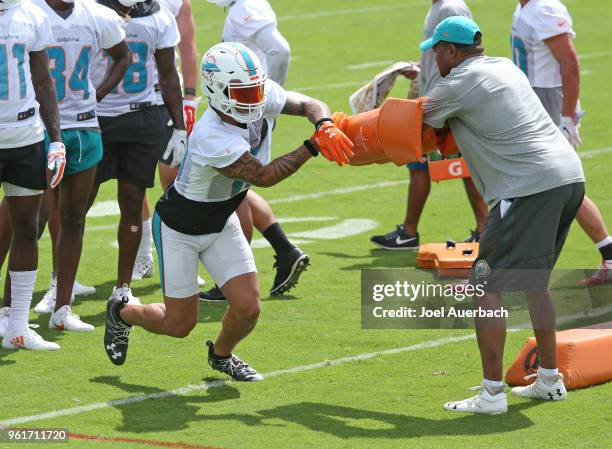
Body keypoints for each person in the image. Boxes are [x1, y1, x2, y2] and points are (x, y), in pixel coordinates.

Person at [102, 42, 354, 380]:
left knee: (248, 308)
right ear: (218, 91)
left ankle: (222, 355)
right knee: (178, 325)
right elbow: (264, 177)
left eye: (254, 89)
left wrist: (324, 124)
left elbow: (309, 103)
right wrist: (312, 146)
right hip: (180, 227)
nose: (254, 99)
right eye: (243, 92)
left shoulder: (255, 95)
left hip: (220, 220)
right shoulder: (212, 135)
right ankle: (122, 312)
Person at [419, 17, 584, 414]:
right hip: (569, 178)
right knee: (535, 283)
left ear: (452, 51)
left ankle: (492, 394)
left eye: (437, 51)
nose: (433, 58)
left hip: (527, 189)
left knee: (482, 284)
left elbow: (413, 128)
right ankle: (548, 379)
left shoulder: (454, 84)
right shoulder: (504, 66)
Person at [10, 0, 130, 334]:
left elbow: (123, 56)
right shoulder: (31, 13)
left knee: (75, 218)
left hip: (86, 127)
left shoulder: (96, 14)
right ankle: (9, 310)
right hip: (43, 129)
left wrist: (99, 93)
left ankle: (62, 308)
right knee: (32, 223)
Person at [201, 0, 306, 301]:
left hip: (245, 113)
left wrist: (267, 102)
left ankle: (231, 281)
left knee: (233, 191)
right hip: (242, 109)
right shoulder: (243, 7)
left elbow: (280, 50)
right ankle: (285, 250)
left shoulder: (244, 8)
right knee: (238, 187)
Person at [88, 0, 186, 305]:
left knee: (131, 202)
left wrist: (180, 128)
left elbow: (169, 77)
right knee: (75, 206)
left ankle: (123, 287)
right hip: (96, 117)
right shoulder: (91, 12)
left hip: (140, 116)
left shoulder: (158, 16)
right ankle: (59, 286)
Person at [370, 0, 488, 250]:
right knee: (429, 165)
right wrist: (418, 69)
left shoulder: (450, 8)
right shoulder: (439, 7)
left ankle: (483, 229)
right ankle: (414, 231)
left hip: (445, 103)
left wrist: (443, 97)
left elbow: (466, 54)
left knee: (463, 166)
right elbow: (441, 53)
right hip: (435, 99)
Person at [511, 0, 612, 285]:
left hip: (550, 102)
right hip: (534, 100)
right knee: (557, 186)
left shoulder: (543, 9)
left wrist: (567, 118)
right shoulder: (524, 7)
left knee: (553, 186)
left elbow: (570, 64)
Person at [0, 0, 66, 349]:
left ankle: (18, 327)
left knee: (26, 230)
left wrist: (55, 139)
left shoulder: (32, 14)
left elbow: (43, 80)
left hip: (25, 137)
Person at [134, 0, 201, 282]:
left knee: (175, 180)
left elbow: (187, 46)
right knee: (133, 183)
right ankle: (143, 256)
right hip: (128, 100)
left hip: (166, 98)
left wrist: (189, 97)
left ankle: (182, 264)